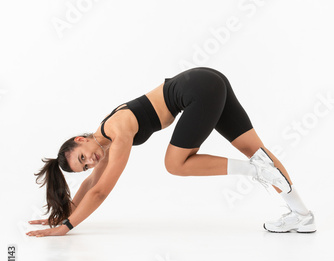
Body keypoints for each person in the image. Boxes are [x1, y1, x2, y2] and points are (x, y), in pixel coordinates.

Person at [27, 66, 316, 237]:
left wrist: (66, 227)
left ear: (81, 139)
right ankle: (302, 214)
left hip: (199, 89)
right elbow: (92, 184)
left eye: (82, 157)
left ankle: (255, 172)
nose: (90, 162)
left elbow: (101, 191)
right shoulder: (104, 140)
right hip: (207, 81)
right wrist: (66, 212)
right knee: (257, 150)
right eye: (85, 166)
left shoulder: (117, 130)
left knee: (175, 164)